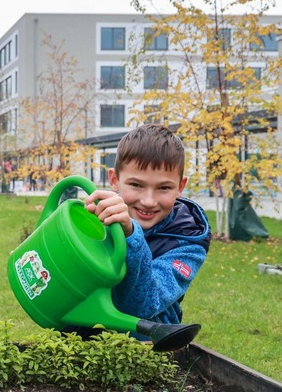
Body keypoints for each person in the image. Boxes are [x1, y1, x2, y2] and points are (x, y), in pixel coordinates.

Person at [80, 123, 211, 333]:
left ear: (180, 187)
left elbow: (143, 304)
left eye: (164, 188)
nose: (149, 201)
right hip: (82, 327)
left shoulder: (188, 242)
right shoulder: (96, 215)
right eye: (136, 185)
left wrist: (131, 235)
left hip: (145, 341)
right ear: (115, 180)